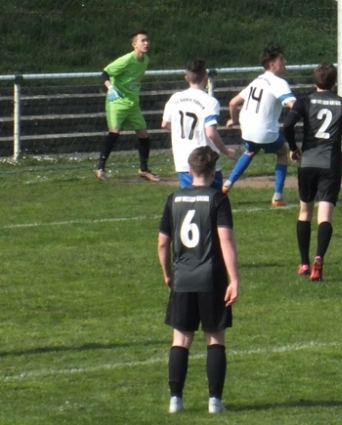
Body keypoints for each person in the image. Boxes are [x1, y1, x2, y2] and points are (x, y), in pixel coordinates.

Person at [158, 146, 239, 414]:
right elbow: (225, 240)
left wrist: (168, 274)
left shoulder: (173, 198)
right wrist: (234, 279)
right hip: (211, 279)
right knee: (214, 338)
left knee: (180, 339)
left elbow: (162, 243)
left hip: (182, 278)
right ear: (214, 171)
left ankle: (175, 400)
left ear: (190, 171)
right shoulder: (218, 200)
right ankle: (214, 401)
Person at [282, 62, 342, 280]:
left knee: (304, 213)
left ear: (315, 80)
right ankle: (319, 258)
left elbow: (287, 126)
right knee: (325, 216)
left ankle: (304, 263)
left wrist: (293, 148)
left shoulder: (304, 101)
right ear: (334, 82)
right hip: (330, 164)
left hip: (307, 162)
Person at [223, 45, 297, 206]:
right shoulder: (278, 82)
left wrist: (232, 120)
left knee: (251, 150)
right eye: (281, 59)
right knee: (282, 152)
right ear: (272, 64)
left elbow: (233, 102)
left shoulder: (257, 81)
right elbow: (293, 104)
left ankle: (227, 184)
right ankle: (278, 196)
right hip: (264, 131)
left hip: (246, 130)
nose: (285, 61)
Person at [161, 59, 238, 189]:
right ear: (205, 77)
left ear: (186, 78)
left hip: (183, 160)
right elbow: (211, 133)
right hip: (205, 161)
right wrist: (226, 151)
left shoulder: (175, 98)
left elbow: (165, 124)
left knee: (188, 198)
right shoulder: (210, 101)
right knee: (212, 199)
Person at [95, 30, 160, 182]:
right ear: (134, 44)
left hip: (133, 104)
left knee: (143, 134)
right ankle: (100, 168)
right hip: (117, 102)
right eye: (142, 41)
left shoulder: (145, 60)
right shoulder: (126, 60)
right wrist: (110, 87)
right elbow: (105, 73)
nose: (146, 43)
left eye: (147, 40)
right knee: (114, 132)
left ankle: (143, 169)